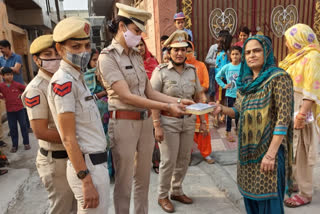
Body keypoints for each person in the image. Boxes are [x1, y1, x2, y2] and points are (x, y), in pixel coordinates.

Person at [97, 4, 193, 214]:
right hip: (123, 123)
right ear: (122, 26)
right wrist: (168, 106)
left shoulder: (135, 55)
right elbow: (126, 95)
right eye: (137, 31)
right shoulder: (108, 57)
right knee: (124, 182)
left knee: (143, 179)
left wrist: (177, 101)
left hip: (145, 122)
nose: (139, 37)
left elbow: (149, 91)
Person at [211, 35, 294, 214]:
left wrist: (271, 155)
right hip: (247, 155)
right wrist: (221, 109)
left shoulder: (279, 78)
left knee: (269, 204)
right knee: (252, 203)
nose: (251, 55)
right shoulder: (245, 84)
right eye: (247, 52)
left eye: (256, 50)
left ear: (267, 52)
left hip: (269, 153)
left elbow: (283, 118)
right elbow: (237, 111)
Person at [47, 17, 110, 213]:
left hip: (97, 164)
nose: (83, 52)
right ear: (60, 49)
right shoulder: (63, 83)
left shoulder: (79, 78)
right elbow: (67, 137)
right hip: (88, 168)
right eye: (75, 47)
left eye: (86, 45)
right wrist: (86, 179)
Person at [151, 31, 207, 213]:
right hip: (169, 123)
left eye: (183, 50)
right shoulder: (160, 72)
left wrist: (204, 121)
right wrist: (157, 125)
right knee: (168, 161)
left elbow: (199, 95)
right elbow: (153, 100)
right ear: (169, 51)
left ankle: (176, 190)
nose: (180, 53)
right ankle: (162, 195)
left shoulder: (192, 71)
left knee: (184, 158)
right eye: (176, 50)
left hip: (188, 122)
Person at [21, 34, 76, 214]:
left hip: (71, 154)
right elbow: (41, 132)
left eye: (57, 53)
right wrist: (75, 137)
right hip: (56, 159)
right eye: (47, 54)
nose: (55, 58)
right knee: (62, 207)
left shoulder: (64, 79)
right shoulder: (36, 89)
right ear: (37, 60)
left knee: (76, 206)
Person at [279, 24, 320, 208]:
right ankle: (296, 182)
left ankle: (306, 192)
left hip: (302, 110)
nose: (287, 44)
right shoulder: (296, 57)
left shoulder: (313, 56)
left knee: (302, 151)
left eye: (289, 40)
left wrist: (302, 114)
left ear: (299, 39)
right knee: (292, 150)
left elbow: (312, 87)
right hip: (291, 109)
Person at [185, 41, 214, 164]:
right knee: (187, 130)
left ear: (193, 51)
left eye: (189, 50)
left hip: (199, 102)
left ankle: (206, 154)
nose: (187, 53)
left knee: (204, 128)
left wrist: (196, 91)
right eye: (184, 51)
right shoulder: (180, 67)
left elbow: (206, 84)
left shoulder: (201, 65)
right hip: (186, 102)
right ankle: (187, 155)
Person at [0, 39, 31, 132]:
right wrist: (10, 69)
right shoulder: (1, 59)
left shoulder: (17, 57)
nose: (1, 50)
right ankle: (12, 129)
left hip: (18, 85)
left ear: (7, 47)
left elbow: (17, 70)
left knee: (23, 106)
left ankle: (27, 126)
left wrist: (4, 69)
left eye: (2, 48)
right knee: (10, 107)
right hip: (7, 87)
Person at [215, 46, 242, 142]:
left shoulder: (243, 67)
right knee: (229, 114)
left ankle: (238, 129)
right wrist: (223, 85)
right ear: (230, 56)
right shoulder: (227, 67)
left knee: (239, 113)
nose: (235, 56)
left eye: (237, 54)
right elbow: (217, 76)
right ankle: (228, 131)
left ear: (240, 55)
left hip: (240, 95)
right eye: (233, 54)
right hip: (230, 94)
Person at [0, 67, 29, 153]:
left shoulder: (17, 84)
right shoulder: (1, 86)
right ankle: (14, 145)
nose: (10, 76)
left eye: (11, 74)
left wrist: (22, 96)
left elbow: (27, 89)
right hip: (10, 111)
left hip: (20, 109)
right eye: (7, 75)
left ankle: (26, 143)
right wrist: (2, 97)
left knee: (24, 126)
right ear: (3, 76)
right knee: (13, 128)